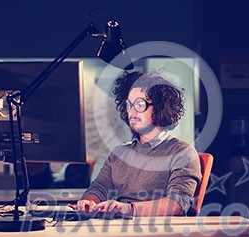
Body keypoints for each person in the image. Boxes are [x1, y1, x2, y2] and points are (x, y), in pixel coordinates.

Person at [73, 71, 202, 217]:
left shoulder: (182, 152)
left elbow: (177, 205)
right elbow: (99, 189)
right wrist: (89, 202)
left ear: (161, 108)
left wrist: (128, 209)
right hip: (119, 232)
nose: (132, 112)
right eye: (129, 105)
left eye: (140, 105)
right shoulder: (119, 154)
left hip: (160, 234)